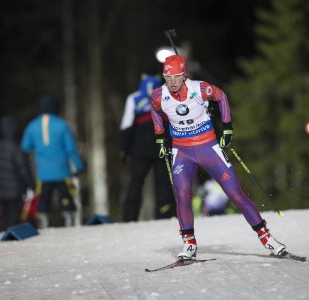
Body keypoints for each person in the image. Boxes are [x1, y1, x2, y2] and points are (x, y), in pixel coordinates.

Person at [151, 54, 287, 260]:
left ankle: (267, 238)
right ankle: (189, 244)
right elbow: (154, 111)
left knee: (235, 193)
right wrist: (160, 135)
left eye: (176, 77)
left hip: (208, 147)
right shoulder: (159, 96)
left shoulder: (199, 89)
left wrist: (227, 127)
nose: (172, 82)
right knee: (182, 195)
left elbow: (221, 96)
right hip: (182, 151)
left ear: (184, 75)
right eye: (168, 77)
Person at [21, 95, 84, 228]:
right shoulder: (62, 124)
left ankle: (44, 221)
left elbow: (25, 147)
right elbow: (71, 148)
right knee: (66, 196)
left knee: (44, 198)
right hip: (62, 170)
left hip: (43, 173)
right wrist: (78, 166)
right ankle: (69, 220)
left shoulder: (32, 125)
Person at [120, 72, 175, 221]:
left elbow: (127, 126)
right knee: (164, 184)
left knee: (135, 183)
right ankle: (164, 215)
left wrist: (124, 150)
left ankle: (129, 217)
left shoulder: (134, 98)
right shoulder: (168, 96)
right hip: (163, 147)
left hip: (139, 149)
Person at [0, 115, 34, 231]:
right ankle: (12, 242)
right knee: (15, 219)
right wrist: (30, 184)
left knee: (4, 217)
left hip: (0, 191)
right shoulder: (16, 147)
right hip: (15, 191)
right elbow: (23, 169)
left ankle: (3, 239)